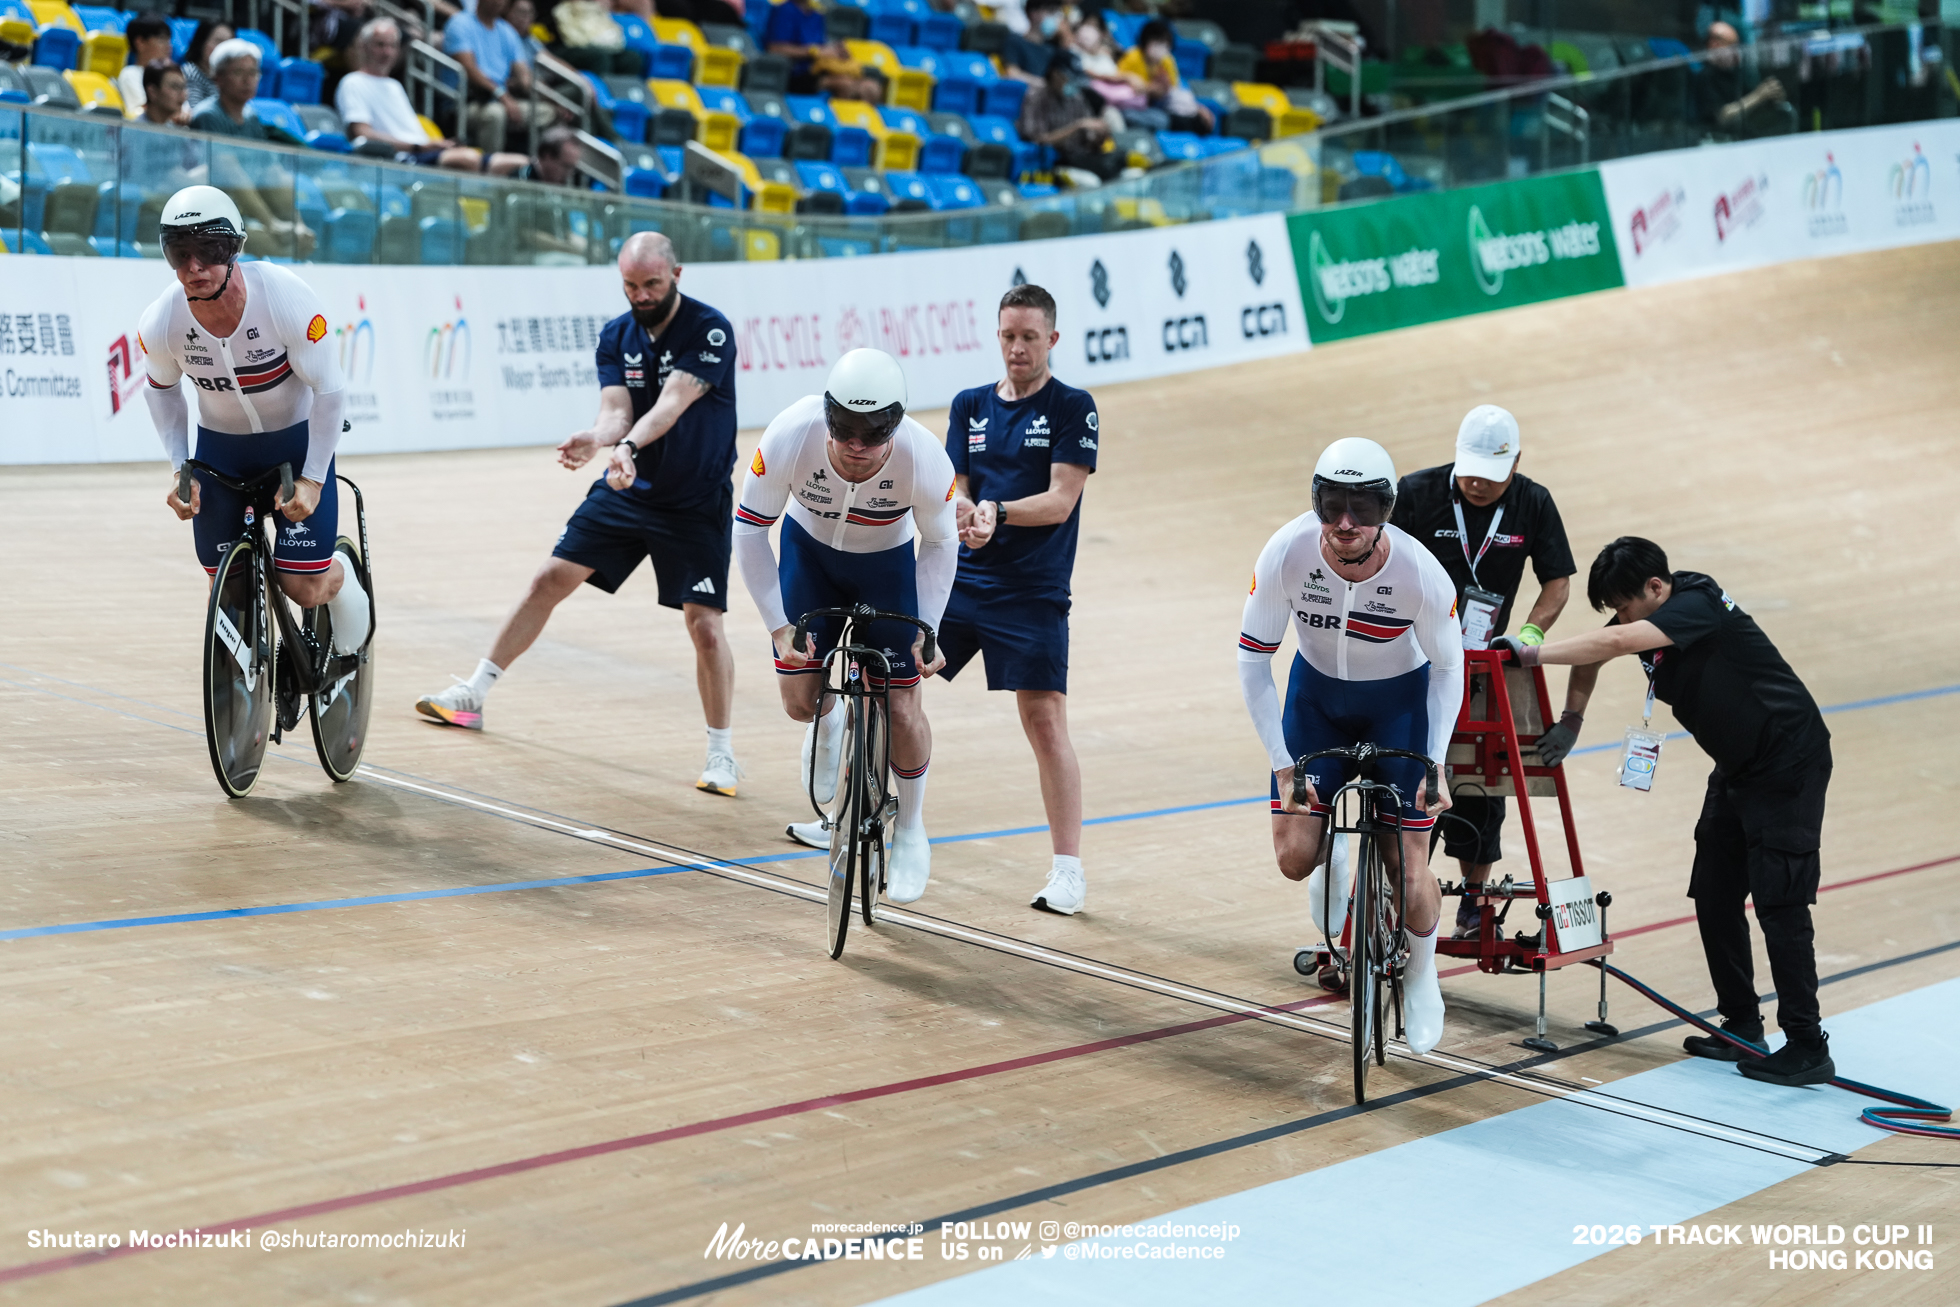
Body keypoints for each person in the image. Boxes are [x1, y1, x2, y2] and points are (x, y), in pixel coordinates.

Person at [1494, 538, 1836, 1087]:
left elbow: (1620, 637)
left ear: (1656, 588)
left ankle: (1806, 1043)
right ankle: (1743, 1025)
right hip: (1738, 768)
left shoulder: (1696, 604)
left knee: (1780, 904)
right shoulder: (1647, 614)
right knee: (1716, 892)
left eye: (1625, 604)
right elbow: (1609, 643)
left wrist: (1530, 652)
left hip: (1787, 764)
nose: (1620, 617)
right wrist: (1572, 719)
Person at [415, 234, 744, 795]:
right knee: (549, 577)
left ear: (678, 274)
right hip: (626, 485)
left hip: (693, 500)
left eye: (652, 285)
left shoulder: (710, 330)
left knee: (704, 626)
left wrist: (629, 449)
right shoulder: (617, 334)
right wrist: (598, 438)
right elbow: (617, 409)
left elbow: (672, 403)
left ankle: (722, 755)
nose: (641, 295)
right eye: (630, 286)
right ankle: (473, 693)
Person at [1237, 438, 1462, 1055]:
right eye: (1330, 505)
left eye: (1360, 510)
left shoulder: (1418, 571)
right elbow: (1253, 661)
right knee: (1292, 857)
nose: (1343, 523)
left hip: (1399, 708)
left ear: (1386, 510)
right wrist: (1284, 766)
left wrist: (1436, 763)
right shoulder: (1286, 552)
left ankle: (1420, 974)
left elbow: (1449, 670)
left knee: (1407, 866)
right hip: (1317, 706)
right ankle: (1333, 867)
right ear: (1315, 502)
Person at [732, 349, 959, 904]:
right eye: (845, 429)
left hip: (887, 568)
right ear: (828, 414)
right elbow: (747, 533)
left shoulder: (924, 457)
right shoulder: (791, 433)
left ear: (896, 424)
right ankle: (828, 723)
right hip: (810, 558)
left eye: (873, 433)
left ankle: (910, 830)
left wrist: (926, 628)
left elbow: (942, 543)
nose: (856, 446)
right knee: (798, 701)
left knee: (903, 704)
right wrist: (778, 625)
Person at [139, 186, 370, 662]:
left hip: (294, 451)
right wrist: (181, 470)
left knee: (303, 587)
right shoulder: (163, 319)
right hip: (220, 454)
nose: (194, 267)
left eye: (210, 250)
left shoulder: (285, 298)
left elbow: (329, 391)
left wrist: (312, 479)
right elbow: (161, 391)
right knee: (227, 593)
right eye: (179, 253)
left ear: (235, 248)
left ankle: (342, 579)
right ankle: (238, 708)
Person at [939, 285, 1099, 914]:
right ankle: (862, 802)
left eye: (1029, 337)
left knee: (1043, 722)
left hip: (1033, 590)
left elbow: (1061, 499)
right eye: (1008, 336)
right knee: (893, 677)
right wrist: (963, 512)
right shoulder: (970, 404)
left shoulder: (1071, 407)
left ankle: (1068, 871)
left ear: (1052, 340)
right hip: (964, 581)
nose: (1017, 348)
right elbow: (957, 484)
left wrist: (995, 512)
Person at [1389, 405, 1575, 937]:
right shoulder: (1417, 493)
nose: (1476, 483)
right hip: (1416, 661)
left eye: (1491, 476)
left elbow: (1557, 581)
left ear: (1515, 463)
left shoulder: (1533, 503)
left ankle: (1473, 903)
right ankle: (1391, 896)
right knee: (1414, 778)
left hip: (1486, 666)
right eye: (1469, 470)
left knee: (1483, 785)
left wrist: (1532, 634)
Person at [337, 18, 525, 172]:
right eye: (380, 45)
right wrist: (418, 147)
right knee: (467, 160)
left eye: (392, 46)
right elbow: (361, 134)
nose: (387, 52)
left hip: (423, 151)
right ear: (364, 47)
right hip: (402, 159)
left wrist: (435, 145)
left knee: (517, 162)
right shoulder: (352, 82)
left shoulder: (393, 85)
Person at [188, 41, 317, 258]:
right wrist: (272, 224)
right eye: (239, 72)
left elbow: (272, 171)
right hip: (217, 211)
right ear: (218, 77)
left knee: (301, 240)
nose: (248, 79)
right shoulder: (207, 115)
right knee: (266, 241)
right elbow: (229, 174)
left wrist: (298, 224)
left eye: (253, 72)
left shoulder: (252, 117)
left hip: (254, 206)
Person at [446, 0, 556, 155]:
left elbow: (524, 75)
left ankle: (533, 169)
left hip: (502, 100)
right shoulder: (460, 23)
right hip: (467, 100)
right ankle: (491, 168)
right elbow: (470, 69)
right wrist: (502, 95)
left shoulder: (507, 31)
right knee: (495, 114)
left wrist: (552, 99)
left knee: (547, 112)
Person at [1018, 58, 1121, 183]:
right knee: (1091, 181)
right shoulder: (1036, 96)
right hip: (1054, 162)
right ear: (1054, 74)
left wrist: (1101, 135)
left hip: (1081, 157)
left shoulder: (1076, 96)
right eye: (1068, 76)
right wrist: (1077, 126)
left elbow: (1090, 143)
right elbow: (1038, 139)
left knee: (1120, 168)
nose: (1072, 82)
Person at [762, 0, 881, 101]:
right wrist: (814, 52)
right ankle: (841, 124)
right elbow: (775, 48)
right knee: (845, 84)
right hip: (796, 74)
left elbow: (819, 44)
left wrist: (835, 50)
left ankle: (863, 123)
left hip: (821, 69)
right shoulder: (785, 11)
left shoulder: (817, 15)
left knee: (871, 87)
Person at [1694, 20, 1791, 138]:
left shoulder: (1736, 74)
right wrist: (1759, 95)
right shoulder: (1704, 77)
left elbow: (1750, 105)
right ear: (1715, 45)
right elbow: (1721, 118)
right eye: (1732, 46)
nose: (1736, 54)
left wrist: (1771, 97)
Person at [1118, 19, 1212, 134]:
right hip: (1136, 106)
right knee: (1139, 118)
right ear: (1146, 41)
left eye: (1165, 43)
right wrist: (1150, 89)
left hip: (1161, 106)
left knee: (1200, 119)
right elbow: (1121, 88)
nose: (1161, 47)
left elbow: (1173, 93)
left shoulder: (1167, 60)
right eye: (1157, 41)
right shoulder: (1133, 57)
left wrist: (1197, 108)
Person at [118, 13, 176, 119]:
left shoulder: (172, 76)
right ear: (140, 43)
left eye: (169, 40)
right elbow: (146, 111)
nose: (169, 47)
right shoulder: (130, 74)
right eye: (162, 39)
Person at [181, 19, 235, 117]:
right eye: (218, 42)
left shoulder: (228, 80)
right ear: (202, 43)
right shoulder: (190, 74)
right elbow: (196, 116)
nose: (224, 49)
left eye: (229, 44)